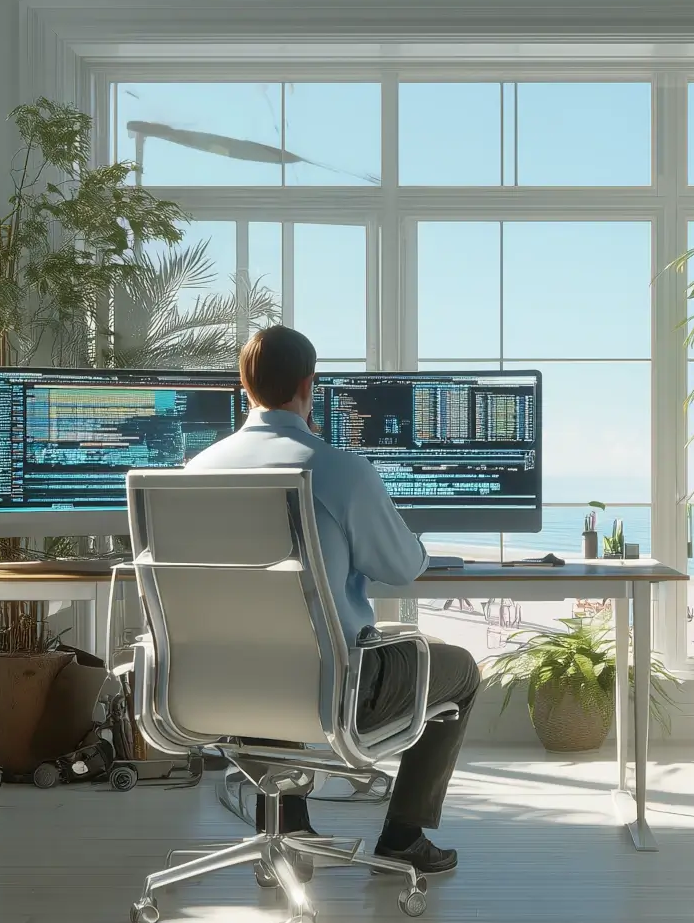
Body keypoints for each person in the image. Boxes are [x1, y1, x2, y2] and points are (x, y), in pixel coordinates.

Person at [185, 325, 477, 874]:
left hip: (221, 687)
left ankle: (287, 825)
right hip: (336, 691)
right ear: (307, 385)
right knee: (459, 671)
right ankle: (403, 835)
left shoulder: (195, 472)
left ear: (244, 385)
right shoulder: (340, 471)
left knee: (268, 654)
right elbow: (401, 568)